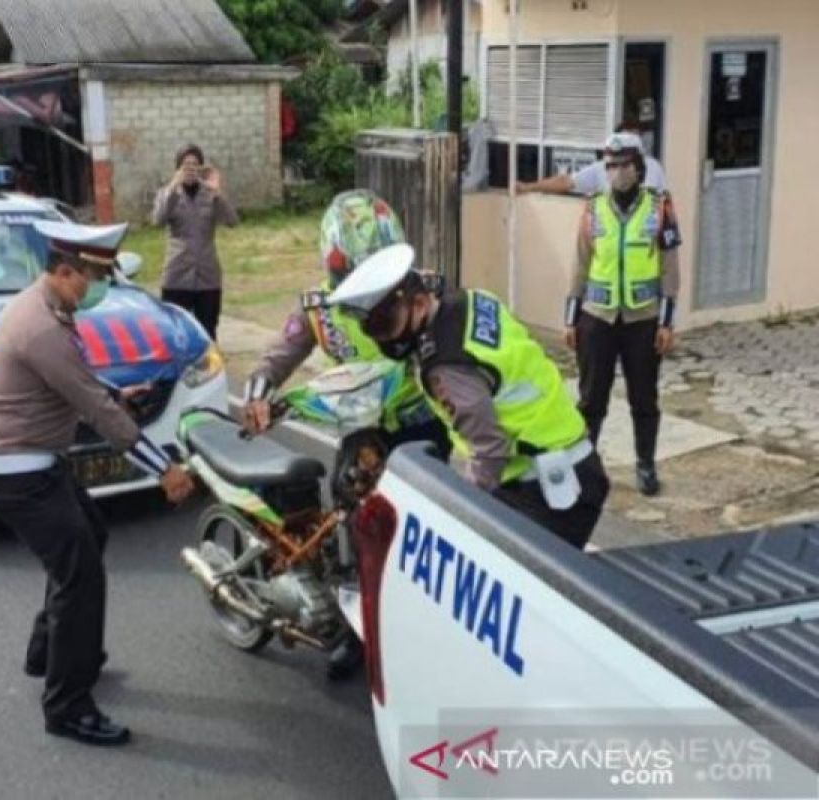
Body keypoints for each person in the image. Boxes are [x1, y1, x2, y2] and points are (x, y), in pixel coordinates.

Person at [0, 219, 194, 747]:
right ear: (64, 271)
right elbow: (93, 407)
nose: (100, 289)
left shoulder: (48, 307)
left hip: (34, 462)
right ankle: (67, 704)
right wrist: (164, 468)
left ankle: (50, 653)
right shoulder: (43, 327)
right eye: (93, 278)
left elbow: (79, 386)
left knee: (89, 534)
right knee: (81, 576)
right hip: (16, 472)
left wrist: (118, 395)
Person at [242, 189, 451, 680]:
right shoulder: (319, 309)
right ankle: (354, 635)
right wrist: (257, 390)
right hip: (362, 432)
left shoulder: (425, 291)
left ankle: (430, 629)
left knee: (431, 529)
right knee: (351, 528)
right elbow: (281, 352)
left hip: (421, 423)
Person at [328, 245, 610, 550]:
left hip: (550, 490)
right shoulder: (469, 300)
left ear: (419, 303)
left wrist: (464, 510)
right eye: (371, 329)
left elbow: (489, 449)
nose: (382, 339)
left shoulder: (448, 367)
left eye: (384, 326)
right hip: (566, 463)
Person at [565, 133, 682, 496]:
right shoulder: (593, 206)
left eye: (624, 164)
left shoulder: (659, 207)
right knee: (590, 400)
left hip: (642, 320)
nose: (617, 171)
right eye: (610, 164)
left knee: (644, 398)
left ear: (639, 166)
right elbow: (580, 264)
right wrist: (571, 317)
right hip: (596, 318)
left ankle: (645, 465)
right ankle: (586, 467)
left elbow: (670, 267)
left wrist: (666, 321)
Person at [151, 143, 239, 341]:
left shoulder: (210, 194)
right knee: (175, 333)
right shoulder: (168, 193)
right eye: (185, 164)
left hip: (207, 276)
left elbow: (232, 221)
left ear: (201, 168)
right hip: (177, 274)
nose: (190, 169)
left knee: (207, 332)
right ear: (177, 168)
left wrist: (218, 193)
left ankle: (209, 371)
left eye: (195, 164)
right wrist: (173, 186)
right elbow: (157, 220)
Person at [517, 125, 666, 196]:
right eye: (613, 164)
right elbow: (565, 182)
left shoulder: (654, 168)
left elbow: (668, 248)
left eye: (627, 162)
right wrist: (528, 187)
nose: (619, 170)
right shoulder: (596, 209)